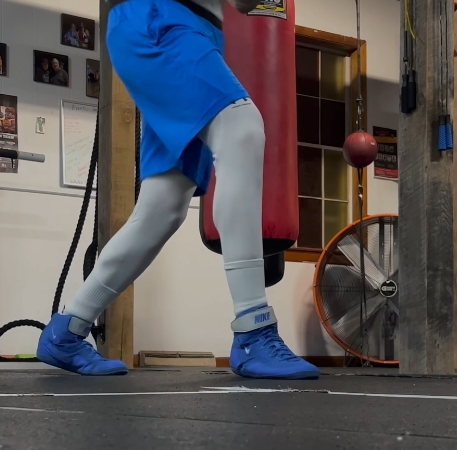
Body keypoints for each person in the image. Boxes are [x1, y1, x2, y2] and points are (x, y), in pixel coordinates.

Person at [37, 0, 320, 380]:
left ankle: (68, 329)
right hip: (161, 20)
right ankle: (254, 328)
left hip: (195, 32)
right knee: (241, 127)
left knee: (164, 205)